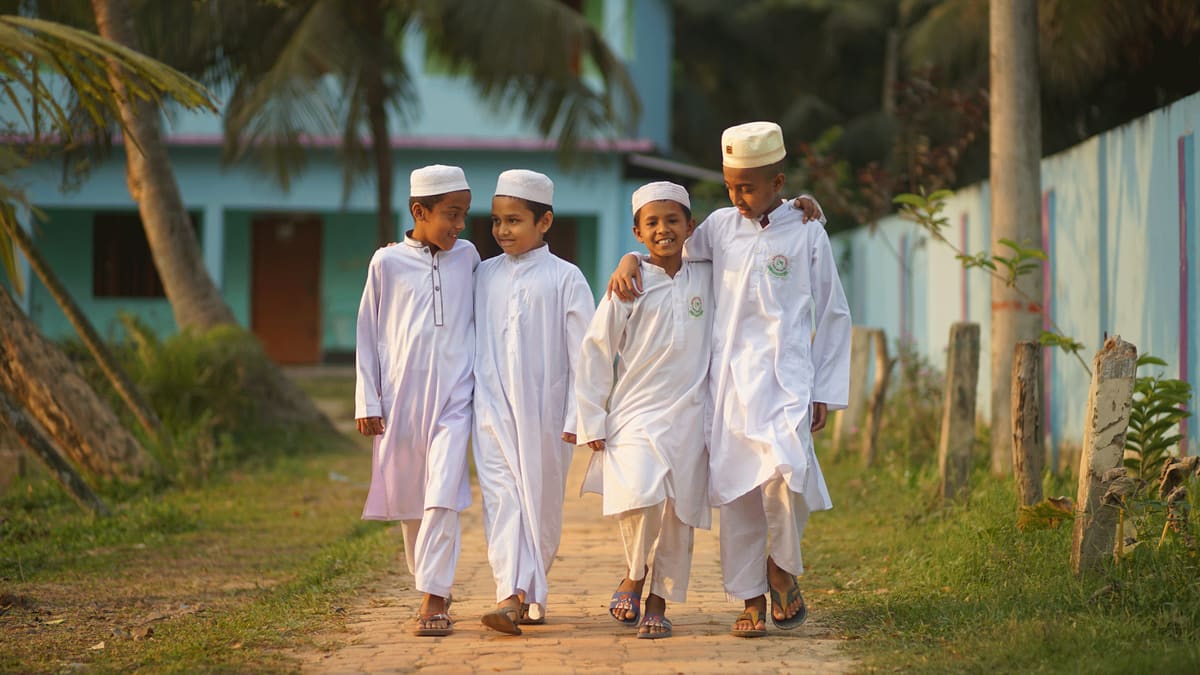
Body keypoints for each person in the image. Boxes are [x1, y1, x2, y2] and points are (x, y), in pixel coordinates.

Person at [608, 122, 851, 638]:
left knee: (789, 477)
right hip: (731, 385)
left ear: (778, 183)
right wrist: (630, 257)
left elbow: (833, 311)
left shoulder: (807, 230)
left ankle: (781, 566)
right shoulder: (719, 227)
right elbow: (666, 248)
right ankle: (751, 599)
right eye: (730, 186)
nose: (737, 197)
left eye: (748, 187)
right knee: (739, 495)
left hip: (788, 383)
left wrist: (826, 389)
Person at [576, 181, 713, 640]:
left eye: (672, 220)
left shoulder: (708, 275)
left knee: (679, 511)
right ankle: (634, 575)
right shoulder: (628, 283)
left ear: (690, 227)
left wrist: (803, 207)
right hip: (636, 411)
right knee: (640, 493)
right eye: (651, 223)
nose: (663, 229)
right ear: (637, 232)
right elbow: (597, 349)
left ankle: (659, 601)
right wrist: (592, 417)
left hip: (691, 412)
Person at [354, 164, 479, 638]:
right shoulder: (386, 263)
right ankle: (430, 581)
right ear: (419, 211)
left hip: (455, 397)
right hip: (401, 400)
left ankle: (433, 594)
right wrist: (368, 401)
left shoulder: (468, 257)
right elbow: (367, 334)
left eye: (464, 214)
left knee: (443, 492)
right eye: (451, 214)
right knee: (412, 501)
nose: (460, 225)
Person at [473, 169, 595, 636]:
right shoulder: (483, 274)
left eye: (514, 220)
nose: (502, 230)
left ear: (544, 222)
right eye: (496, 221)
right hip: (491, 408)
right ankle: (510, 594)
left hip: (547, 414)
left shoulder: (566, 278)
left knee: (540, 506)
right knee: (503, 501)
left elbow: (585, 355)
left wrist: (579, 415)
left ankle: (528, 593)